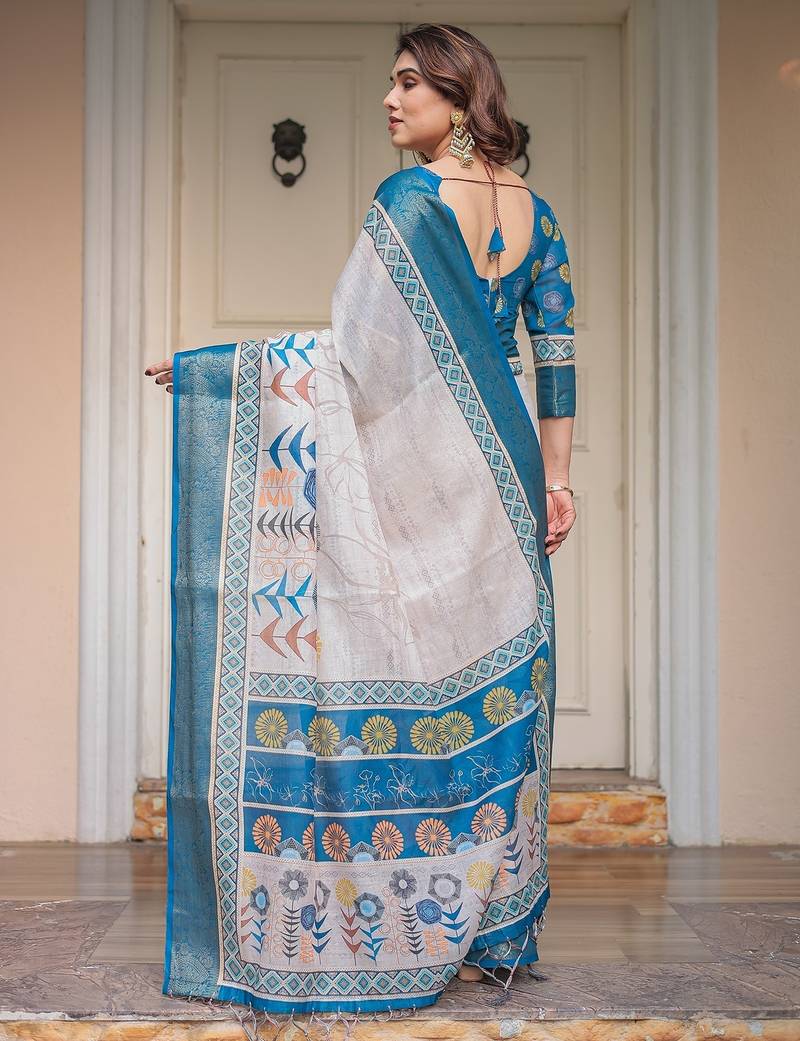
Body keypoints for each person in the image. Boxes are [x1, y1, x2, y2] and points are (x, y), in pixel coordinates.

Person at [145, 22, 576, 1021]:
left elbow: (355, 360)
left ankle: (408, 921)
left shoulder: (409, 201)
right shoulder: (537, 212)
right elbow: (552, 349)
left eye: (409, 84)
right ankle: (483, 922)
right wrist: (558, 479)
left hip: (431, 464)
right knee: (494, 676)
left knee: (411, 667)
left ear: (458, 96)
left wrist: (219, 372)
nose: (390, 99)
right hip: (505, 463)